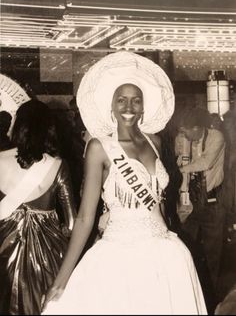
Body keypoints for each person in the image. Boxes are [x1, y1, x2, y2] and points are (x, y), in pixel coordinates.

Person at [42, 51, 207, 315]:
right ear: (111, 105)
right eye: (121, 100)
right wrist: (62, 279)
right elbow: (85, 218)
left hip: (163, 255)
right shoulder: (99, 147)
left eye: (135, 101)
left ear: (144, 106)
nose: (128, 108)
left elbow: (158, 200)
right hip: (119, 254)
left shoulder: (155, 142)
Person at [0, 99, 76, 315]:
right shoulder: (58, 165)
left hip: (3, 257)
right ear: (49, 129)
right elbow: (71, 224)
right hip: (48, 260)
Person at [177, 107, 225, 312]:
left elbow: (205, 162)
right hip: (191, 201)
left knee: (212, 254)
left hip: (213, 201)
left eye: (186, 131)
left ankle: (210, 299)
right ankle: (189, 293)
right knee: (185, 247)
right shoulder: (185, 139)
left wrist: (180, 169)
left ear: (197, 128)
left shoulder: (217, 137)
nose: (183, 135)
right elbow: (180, 159)